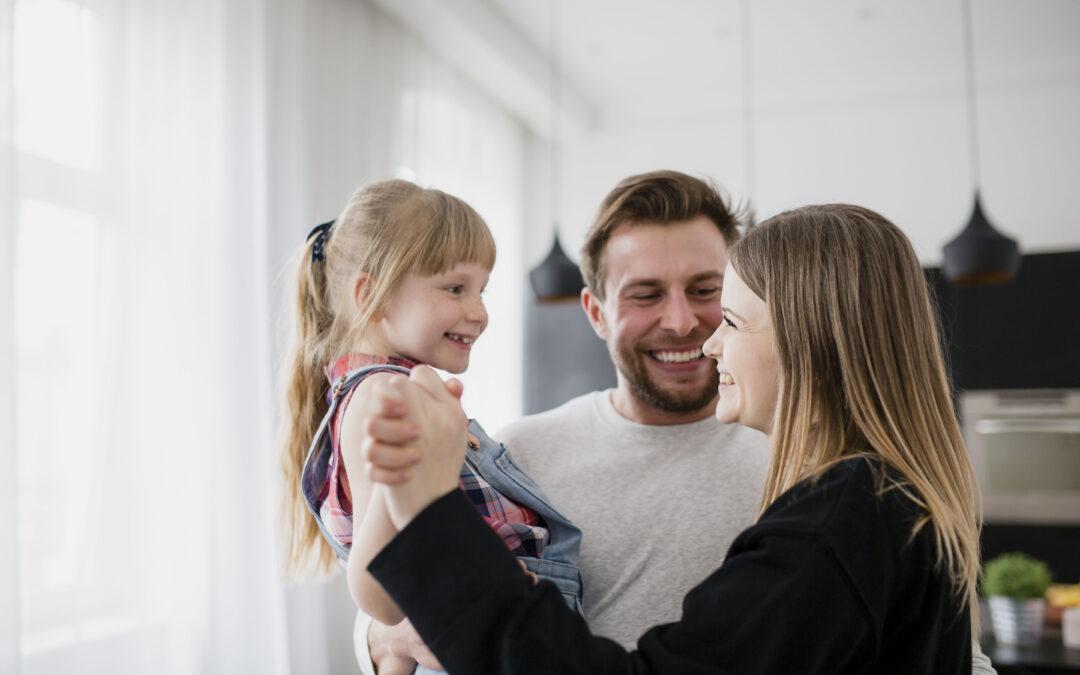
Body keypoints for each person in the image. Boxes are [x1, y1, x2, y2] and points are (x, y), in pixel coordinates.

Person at [358, 171, 996, 673]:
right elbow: (391, 616)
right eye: (644, 294)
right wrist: (384, 636)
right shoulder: (514, 459)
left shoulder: (835, 507)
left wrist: (430, 505)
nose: (693, 329)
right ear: (596, 311)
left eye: (719, 304)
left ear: (811, 340)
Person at [277, 179, 582, 675]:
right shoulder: (386, 396)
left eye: (481, 289)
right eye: (455, 288)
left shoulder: (370, 392)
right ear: (370, 294)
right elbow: (378, 587)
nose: (479, 313)